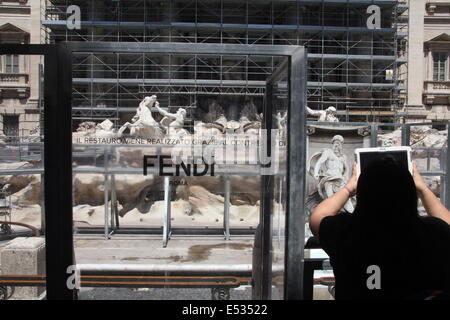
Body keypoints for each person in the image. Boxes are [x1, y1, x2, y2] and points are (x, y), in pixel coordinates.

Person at [310, 158, 450, 300]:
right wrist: (423, 189)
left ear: (362, 193)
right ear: (410, 193)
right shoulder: (433, 233)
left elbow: (317, 217)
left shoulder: (345, 231)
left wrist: (348, 188)